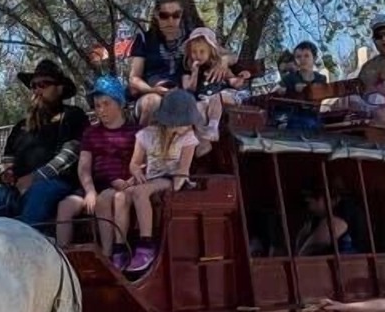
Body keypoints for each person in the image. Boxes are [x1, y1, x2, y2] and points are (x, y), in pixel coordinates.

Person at [0, 59, 89, 232]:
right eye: (34, 86)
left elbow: (70, 155)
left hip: (55, 185)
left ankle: (24, 244)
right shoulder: (21, 125)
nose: (37, 90)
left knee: (40, 192)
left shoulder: (73, 115)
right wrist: (6, 173)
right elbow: (7, 160)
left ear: (60, 88)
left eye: (44, 84)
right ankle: (0, 236)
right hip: (16, 190)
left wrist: (34, 179)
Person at [113, 89, 198, 273]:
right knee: (121, 197)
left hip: (171, 178)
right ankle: (119, 248)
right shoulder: (146, 135)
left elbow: (183, 170)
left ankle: (146, 246)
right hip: (150, 177)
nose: (187, 126)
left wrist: (175, 188)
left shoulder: (188, 138)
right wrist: (136, 172)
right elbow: (134, 164)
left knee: (140, 192)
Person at [56, 75, 136, 250]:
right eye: (97, 105)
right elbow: (84, 167)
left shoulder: (135, 132)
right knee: (65, 206)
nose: (101, 110)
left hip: (122, 185)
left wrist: (130, 182)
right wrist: (90, 190)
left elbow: (142, 163)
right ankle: (63, 256)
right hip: (95, 184)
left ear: (120, 103)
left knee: (106, 200)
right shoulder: (91, 133)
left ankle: (109, 253)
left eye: (106, 104)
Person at [128, 0, 232, 126]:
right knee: (152, 102)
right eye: (164, 16)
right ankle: (143, 144)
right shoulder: (144, 39)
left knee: (193, 105)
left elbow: (230, 55)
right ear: (156, 15)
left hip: (187, 95)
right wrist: (151, 90)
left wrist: (223, 62)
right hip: (153, 93)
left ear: (181, 15)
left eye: (176, 15)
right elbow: (134, 79)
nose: (170, 21)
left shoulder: (193, 38)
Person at [180, 27, 249, 149]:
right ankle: (202, 139)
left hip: (223, 95)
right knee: (197, 107)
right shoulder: (188, 70)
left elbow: (232, 81)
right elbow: (189, 89)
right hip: (203, 99)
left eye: (202, 52)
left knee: (216, 98)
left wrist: (241, 78)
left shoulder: (219, 67)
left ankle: (213, 127)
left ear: (210, 51)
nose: (198, 55)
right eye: (194, 52)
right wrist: (194, 73)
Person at [293, 184, 354, 256]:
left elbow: (304, 252)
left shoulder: (336, 223)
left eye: (314, 196)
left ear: (332, 200)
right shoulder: (312, 222)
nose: (308, 199)